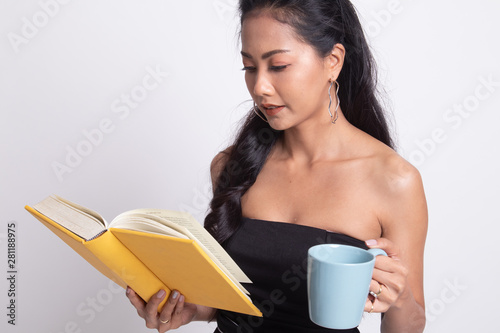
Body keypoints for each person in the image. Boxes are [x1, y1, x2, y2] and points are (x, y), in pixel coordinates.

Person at [126, 0, 428, 332]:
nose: (260, 87)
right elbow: (237, 299)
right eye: (250, 67)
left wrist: (399, 301)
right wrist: (192, 309)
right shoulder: (232, 166)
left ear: (333, 61)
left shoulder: (393, 180)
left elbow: (410, 323)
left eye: (279, 66)